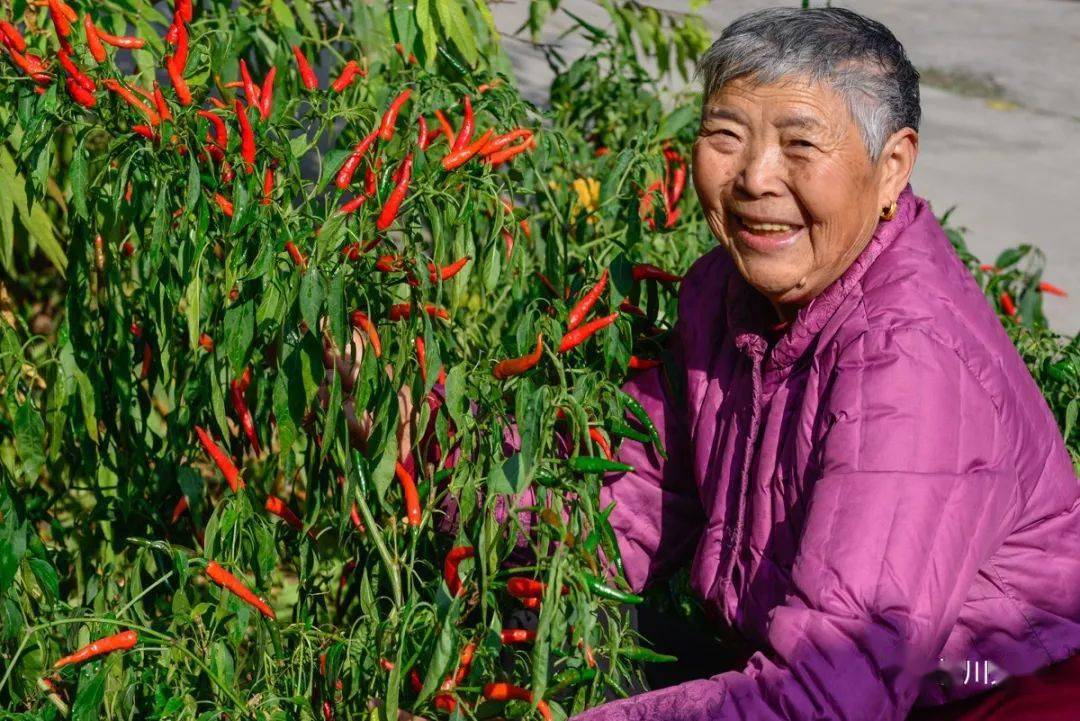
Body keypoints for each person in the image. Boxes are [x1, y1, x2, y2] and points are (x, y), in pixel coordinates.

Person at [570, 7, 1080, 721]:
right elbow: (629, 506)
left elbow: (834, 689)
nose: (754, 178)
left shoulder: (912, 364)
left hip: (982, 690)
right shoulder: (724, 293)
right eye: (725, 135)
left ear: (892, 167)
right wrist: (424, 442)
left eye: (800, 143)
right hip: (832, 678)